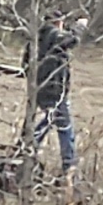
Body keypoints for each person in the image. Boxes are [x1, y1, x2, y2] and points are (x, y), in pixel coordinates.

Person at [25, 12, 80, 175]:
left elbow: (24, 64)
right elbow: (71, 40)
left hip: (38, 88)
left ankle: (27, 147)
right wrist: (80, 27)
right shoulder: (54, 35)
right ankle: (69, 164)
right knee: (64, 126)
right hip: (54, 90)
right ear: (59, 23)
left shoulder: (36, 39)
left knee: (49, 120)